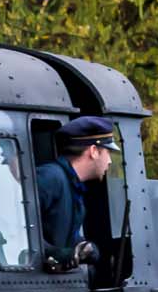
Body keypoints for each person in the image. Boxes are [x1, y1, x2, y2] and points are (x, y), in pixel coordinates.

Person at [36, 116, 117, 272]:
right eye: (108, 152)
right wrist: (56, 254)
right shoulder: (50, 178)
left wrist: (85, 248)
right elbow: (19, 231)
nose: (110, 161)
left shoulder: (72, 186)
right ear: (94, 151)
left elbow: (65, 237)